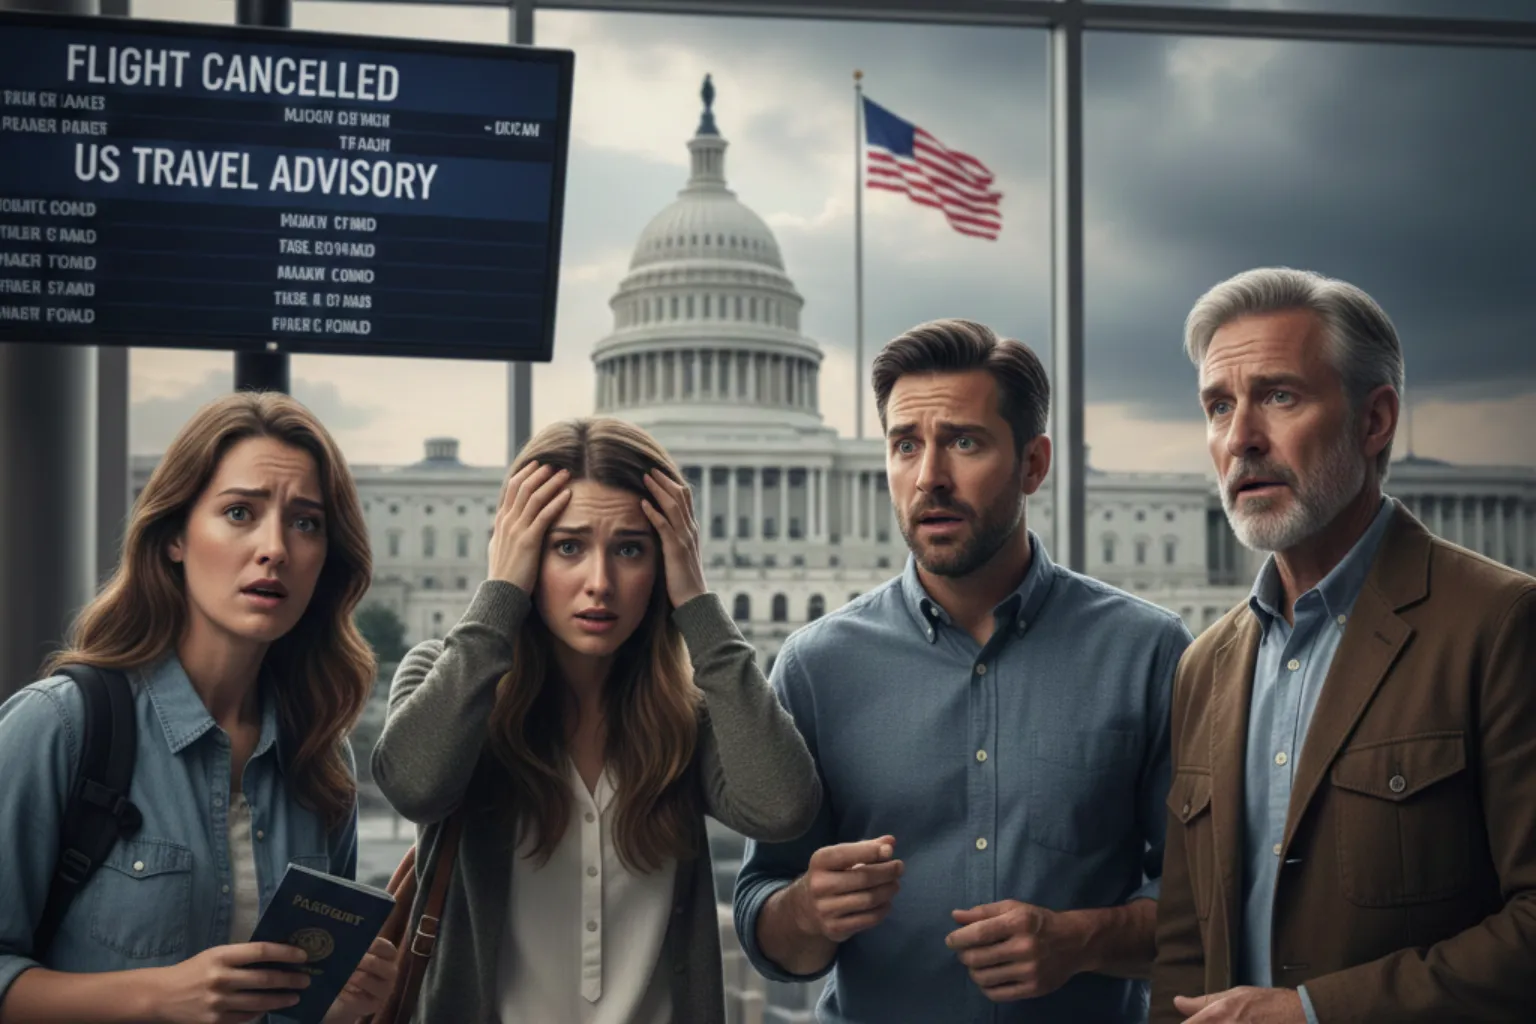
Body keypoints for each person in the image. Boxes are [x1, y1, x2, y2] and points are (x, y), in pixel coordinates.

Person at [733, 318, 1193, 1022]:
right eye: (905, 445)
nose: (930, 478)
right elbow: (767, 917)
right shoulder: (816, 666)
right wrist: (806, 910)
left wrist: (1080, 940)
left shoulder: (1148, 653)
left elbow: (1206, 906)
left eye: (964, 442)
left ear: (1033, 464)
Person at [1149, 267, 1536, 1023]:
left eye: (1279, 396)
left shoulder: (1500, 625)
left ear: (1374, 420)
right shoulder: (1204, 666)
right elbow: (1184, 946)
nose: (1240, 438)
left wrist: (1313, 1013)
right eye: (1219, 406)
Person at [370, 417, 821, 1024]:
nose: (600, 583)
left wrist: (698, 605)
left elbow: (783, 807)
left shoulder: (688, 718)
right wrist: (499, 595)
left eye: (630, 549)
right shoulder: (445, 678)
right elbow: (413, 786)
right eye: (568, 547)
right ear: (523, 551)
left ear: (664, 562)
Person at [0, 391, 399, 1024]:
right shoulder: (59, 727)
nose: (275, 547)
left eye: (306, 523)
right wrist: (158, 997)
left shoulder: (321, 758)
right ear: (174, 538)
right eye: (240, 512)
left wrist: (342, 1005)